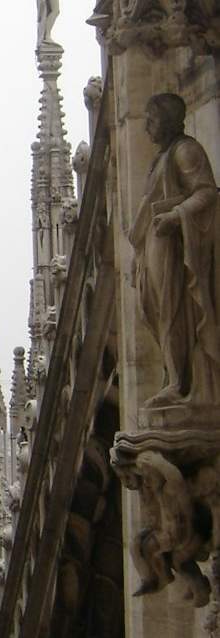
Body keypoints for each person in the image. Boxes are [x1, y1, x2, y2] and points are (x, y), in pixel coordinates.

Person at [129, 92, 220, 407]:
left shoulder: (185, 151)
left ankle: (181, 382)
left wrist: (175, 216)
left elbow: (206, 193)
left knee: (174, 311)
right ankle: (173, 376)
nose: (146, 128)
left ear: (167, 121)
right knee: (156, 312)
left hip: (174, 245)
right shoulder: (162, 157)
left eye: (152, 120)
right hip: (156, 244)